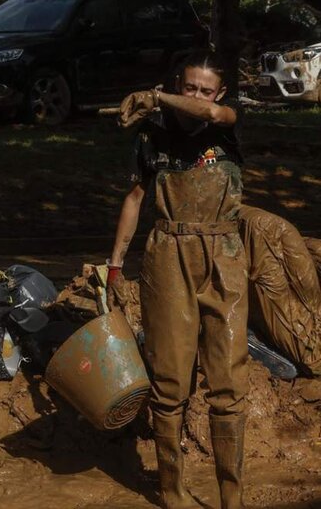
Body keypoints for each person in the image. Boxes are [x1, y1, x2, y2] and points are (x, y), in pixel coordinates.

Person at [107, 50, 248, 509]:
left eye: (206, 89)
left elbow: (209, 113)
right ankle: (172, 490)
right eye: (189, 86)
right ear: (179, 83)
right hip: (168, 254)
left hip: (223, 256)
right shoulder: (153, 136)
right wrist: (114, 264)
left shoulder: (227, 122)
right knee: (169, 384)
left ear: (220, 93)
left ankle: (233, 497)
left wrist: (158, 96)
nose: (197, 96)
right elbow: (134, 198)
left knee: (228, 386)